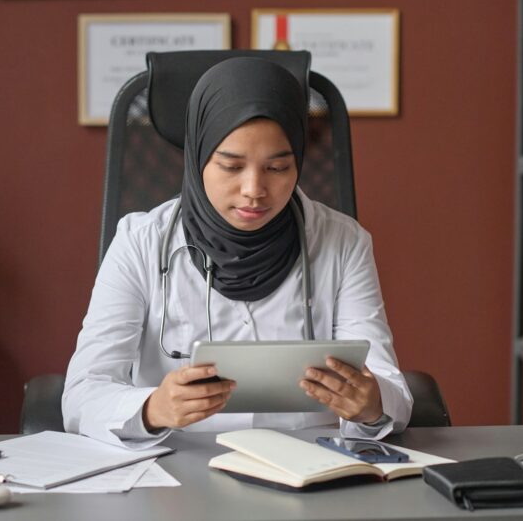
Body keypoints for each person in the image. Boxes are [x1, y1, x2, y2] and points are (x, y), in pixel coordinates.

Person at [62, 56, 412, 448]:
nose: (254, 190)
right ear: (198, 160)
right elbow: (81, 395)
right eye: (230, 166)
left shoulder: (344, 242)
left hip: (311, 469)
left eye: (278, 168)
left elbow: (390, 388)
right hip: (176, 476)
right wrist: (152, 408)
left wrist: (371, 403)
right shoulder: (139, 242)